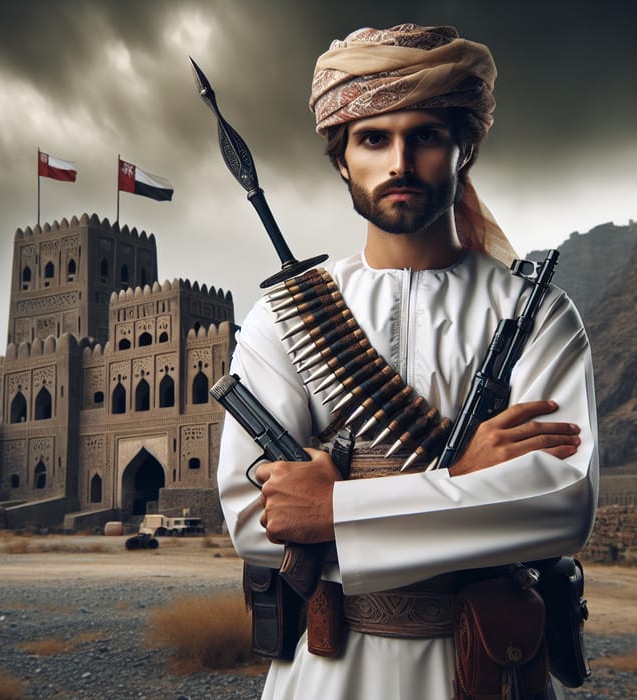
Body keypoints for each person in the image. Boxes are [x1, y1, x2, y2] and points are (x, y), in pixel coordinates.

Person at [217, 23, 598, 700]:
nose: (399, 161)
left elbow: (558, 507)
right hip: (325, 673)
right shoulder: (285, 315)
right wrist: (466, 482)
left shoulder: (538, 315)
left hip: (486, 666)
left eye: (425, 134)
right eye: (372, 138)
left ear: (464, 148)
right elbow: (258, 518)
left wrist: (336, 508)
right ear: (341, 158)